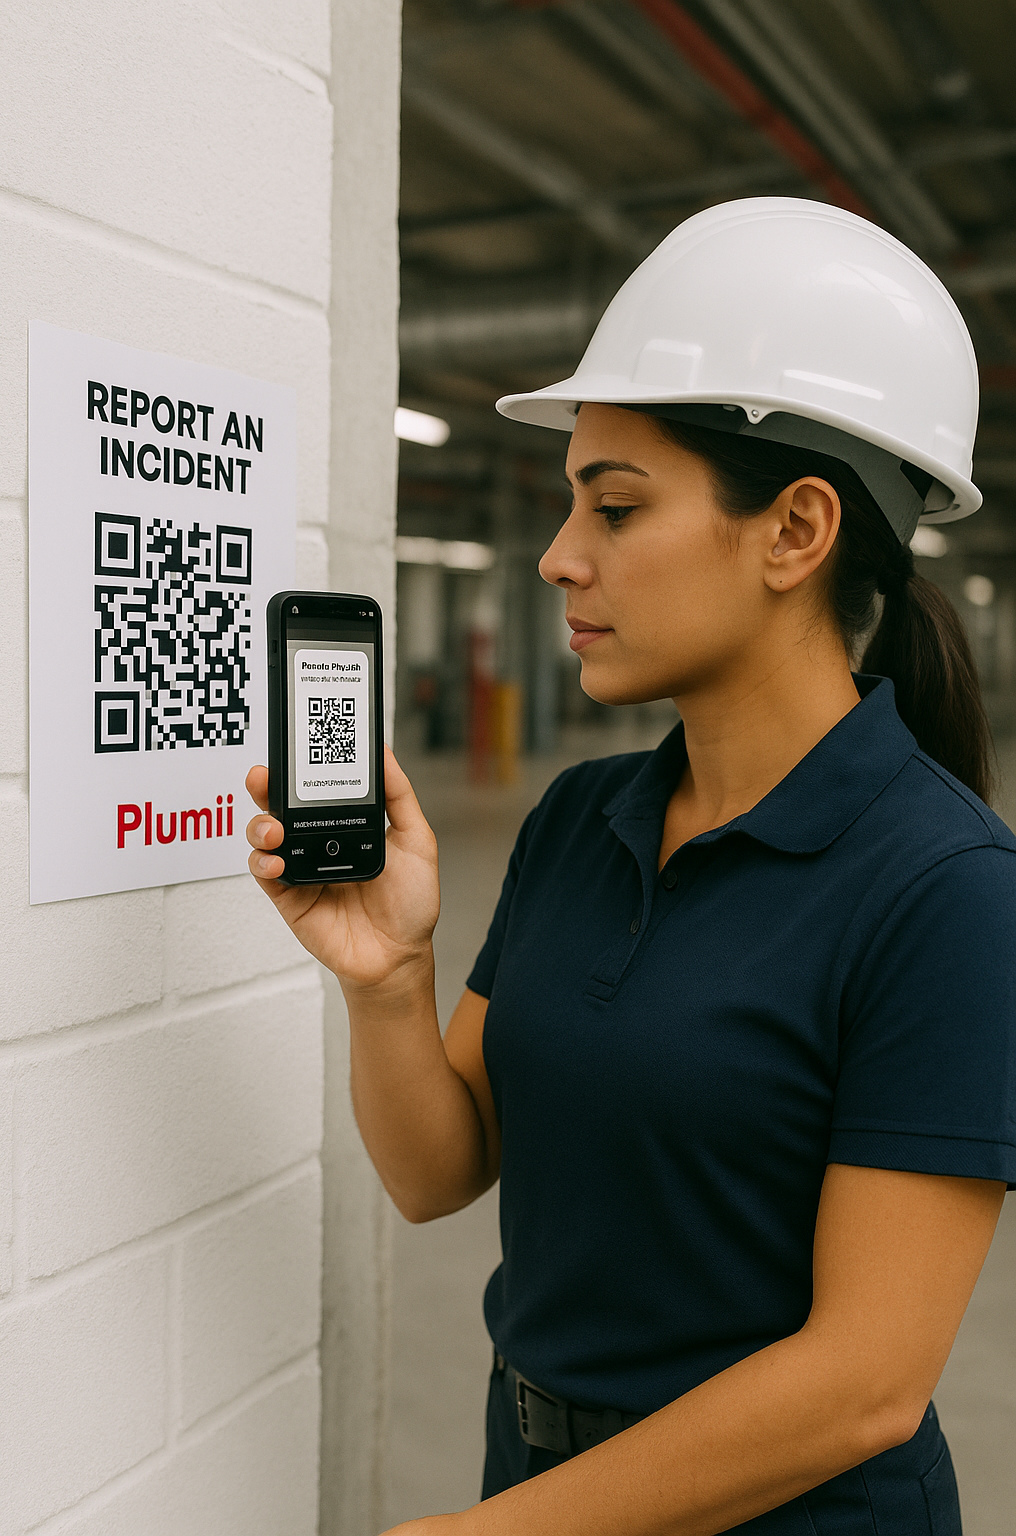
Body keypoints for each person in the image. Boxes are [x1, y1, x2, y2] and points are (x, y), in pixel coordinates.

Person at [246, 199, 1016, 1535]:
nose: (558, 557)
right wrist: (388, 980)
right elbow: (439, 1175)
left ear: (795, 531)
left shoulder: (948, 888)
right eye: (569, 505)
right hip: (541, 1477)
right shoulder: (580, 817)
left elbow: (864, 1387)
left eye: (615, 506)